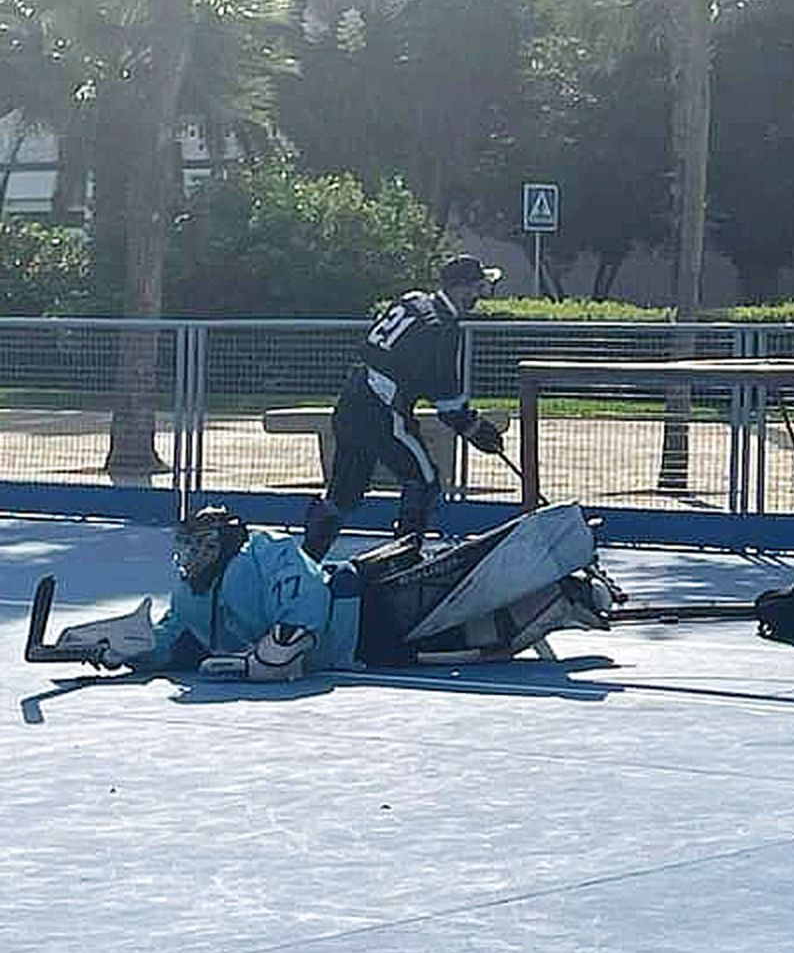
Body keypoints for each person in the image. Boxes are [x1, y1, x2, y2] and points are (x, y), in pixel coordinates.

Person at [67, 503, 616, 681]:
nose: (191, 558)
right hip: (351, 641)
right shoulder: (194, 588)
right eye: (188, 547)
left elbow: (300, 621)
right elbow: (178, 639)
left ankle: (563, 595)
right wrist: (131, 654)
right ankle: (561, 597)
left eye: (200, 545)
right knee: (449, 637)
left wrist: (256, 662)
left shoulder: (267, 552)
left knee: (453, 636)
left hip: (365, 614)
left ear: (225, 542)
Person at [302, 254, 508, 562]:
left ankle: (305, 560)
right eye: (477, 288)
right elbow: (443, 392)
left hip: (351, 400)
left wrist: (467, 423)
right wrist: (474, 428)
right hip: (381, 410)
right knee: (423, 481)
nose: (479, 296)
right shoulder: (441, 326)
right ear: (459, 287)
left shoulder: (413, 301)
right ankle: (404, 560)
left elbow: (401, 361)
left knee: (343, 493)